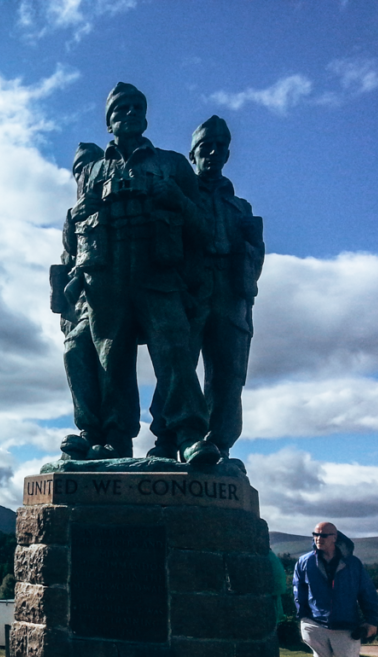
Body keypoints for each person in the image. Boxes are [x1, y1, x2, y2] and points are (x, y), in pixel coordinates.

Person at [72, 83, 216, 465]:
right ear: (109, 123)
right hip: (106, 278)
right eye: (121, 109)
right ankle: (114, 439)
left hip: (158, 273)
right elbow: (74, 231)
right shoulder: (92, 171)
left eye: (137, 107)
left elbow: (204, 230)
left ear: (146, 115)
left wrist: (179, 202)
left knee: (174, 353)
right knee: (111, 358)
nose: (130, 113)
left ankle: (186, 434)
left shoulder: (172, 164)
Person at [149, 115, 264, 463]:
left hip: (230, 293)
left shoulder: (240, 207)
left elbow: (255, 257)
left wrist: (253, 244)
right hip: (191, 290)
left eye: (220, 147)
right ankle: (168, 438)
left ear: (228, 154)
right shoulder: (178, 194)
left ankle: (219, 442)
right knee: (177, 364)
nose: (213, 153)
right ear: (192, 154)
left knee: (229, 375)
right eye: (205, 147)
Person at [58, 143, 139, 461]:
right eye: (78, 171)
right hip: (80, 303)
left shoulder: (112, 205)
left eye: (87, 169)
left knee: (112, 359)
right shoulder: (75, 215)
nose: (83, 176)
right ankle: (89, 430)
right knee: (75, 351)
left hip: (114, 291)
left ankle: (117, 435)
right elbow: (67, 258)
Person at [293, 522, 378, 657]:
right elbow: (299, 591)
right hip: (316, 623)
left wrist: (371, 621)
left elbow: (367, 593)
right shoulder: (305, 562)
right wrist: (303, 617)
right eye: (315, 534)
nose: (318, 538)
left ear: (335, 537)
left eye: (324, 535)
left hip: (346, 626)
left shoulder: (353, 564)